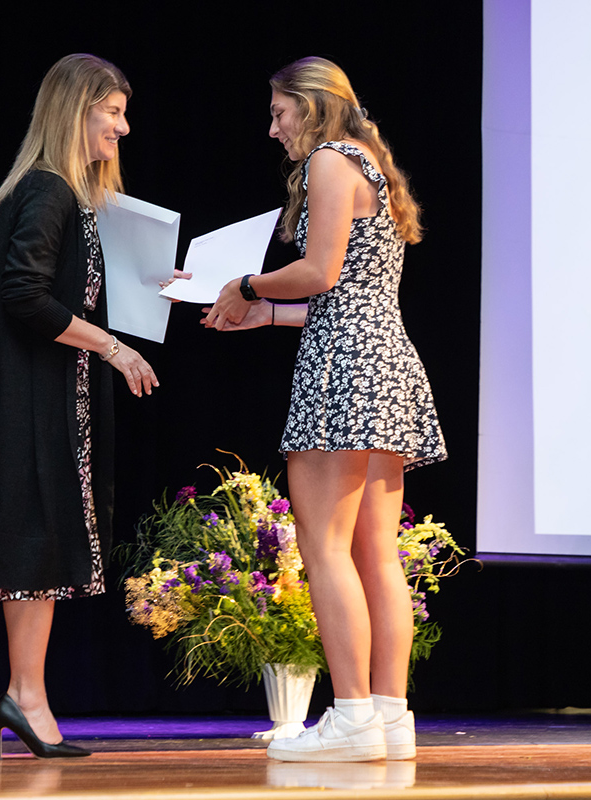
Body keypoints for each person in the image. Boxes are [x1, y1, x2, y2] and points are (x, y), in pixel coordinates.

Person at [0, 54, 160, 759]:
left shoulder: (69, 194)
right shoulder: (47, 190)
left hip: (38, 398)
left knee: (28, 548)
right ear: (75, 109)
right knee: (15, 547)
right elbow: (25, 298)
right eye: (112, 110)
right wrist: (114, 347)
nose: (123, 126)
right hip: (17, 401)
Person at [203, 57, 447, 762]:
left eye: (280, 113)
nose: (273, 128)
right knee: (375, 550)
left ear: (312, 108)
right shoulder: (368, 160)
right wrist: (267, 314)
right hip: (381, 358)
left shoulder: (330, 162)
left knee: (324, 544)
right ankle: (390, 718)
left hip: (346, 370)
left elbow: (323, 271)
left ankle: (349, 716)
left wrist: (244, 284)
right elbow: (345, 296)